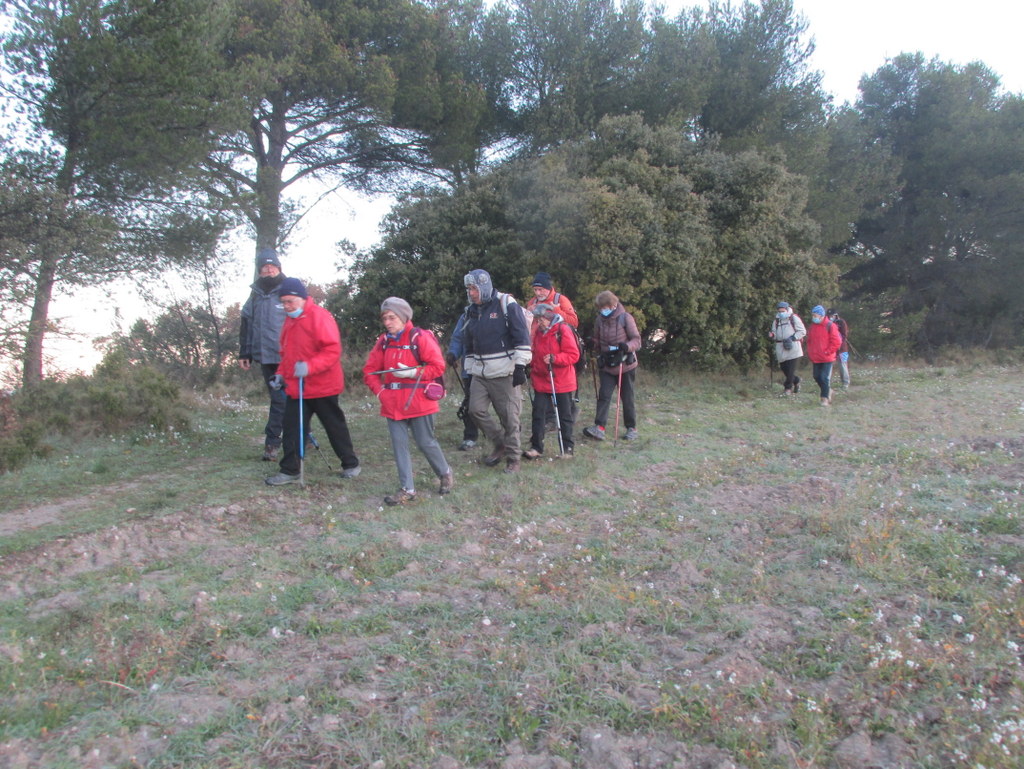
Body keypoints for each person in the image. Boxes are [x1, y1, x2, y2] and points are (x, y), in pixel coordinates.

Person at [264, 278, 361, 485]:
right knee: (291, 427)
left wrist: (309, 367)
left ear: (302, 298)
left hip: (323, 386)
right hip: (296, 389)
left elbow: (332, 350)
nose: (287, 307)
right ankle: (290, 470)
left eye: (290, 301)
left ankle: (350, 464)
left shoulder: (320, 316)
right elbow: (286, 354)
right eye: (283, 303)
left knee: (334, 426)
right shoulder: (288, 322)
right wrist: (281, 374)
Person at [363, 297, 454, 506]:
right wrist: (380, 393)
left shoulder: (418, 337)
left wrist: (413, 372)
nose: (387, 322)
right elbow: (370, 371)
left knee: (425, 442)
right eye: (385, 318)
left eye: (392, 317)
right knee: (399, 445)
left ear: (403, 317)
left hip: (419, 400)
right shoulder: (384, 342)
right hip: (392, 403)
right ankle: (407, 489)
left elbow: (437, 366)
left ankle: (445, 472)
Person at [461, 268, 532, 474]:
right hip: (480, 374)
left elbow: (521, 337)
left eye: (473, 288)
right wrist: (469, 370)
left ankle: (513, 458)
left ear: (483, 286)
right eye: (468, 289)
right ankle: (500, 443)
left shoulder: (506, 304)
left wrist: (520, 366)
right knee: (475, 410)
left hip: (505, 373)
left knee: (509, 418)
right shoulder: (470, 311)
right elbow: (469, 343)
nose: (471, 293)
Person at [238, 248, 289, 461]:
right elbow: (246, 323)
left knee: (280, 400)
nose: (268, 270)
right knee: (281, 399)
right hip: (264, 356)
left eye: (272, 266)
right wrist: (245, 352)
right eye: (264, 267)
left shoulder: (288, 289)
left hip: (287, 356)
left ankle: (272, 444)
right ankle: (303, 433)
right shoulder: (255, 294)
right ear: (259, 271)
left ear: (278, 267)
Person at [582, 291, 641, 441]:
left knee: (627, 397)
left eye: (604, 307)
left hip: (625, 364)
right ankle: (599, 427)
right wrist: (592, 343)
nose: (602, 310)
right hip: (607, 363)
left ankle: (631, 428)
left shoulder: (625, 318)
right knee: (604, 396)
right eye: (600, 308)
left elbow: (637, 341)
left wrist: (626, 347)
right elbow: (598, 340)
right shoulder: (599, 320)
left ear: (613, 305)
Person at [524, 303, 579, 459]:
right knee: (538, 414)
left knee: (564, 415)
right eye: (537, 319)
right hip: (541, 379)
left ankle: (567, 449)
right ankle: (536, 447)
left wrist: (556, 358)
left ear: (550, 317)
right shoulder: (537, 333)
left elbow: (573, 355)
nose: (539, 322)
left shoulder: (562, 330)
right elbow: (534, 353)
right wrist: (529, 364)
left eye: (542, 319)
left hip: (561, 380)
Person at [445, 312, 478, 451]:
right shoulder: (466, 316)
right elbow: (458, 338)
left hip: (495, 369)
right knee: (470, 404)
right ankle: (470, 437)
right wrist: (453, 353)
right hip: (469, 369)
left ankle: (508, 435)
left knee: (500, 403)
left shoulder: (498, 312)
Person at [806, 305, 843, 406]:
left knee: (824, 377)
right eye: (813, 315)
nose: (814, 317)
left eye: (816, 315)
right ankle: (828, 390)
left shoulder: (830, 325)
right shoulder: (812, 326)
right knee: (816, 376)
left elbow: (837, 341)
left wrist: (828, 351)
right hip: (816, 357)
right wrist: (810, 352)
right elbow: (809, 341)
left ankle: (824, 398)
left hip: (827, 357)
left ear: (822, 315)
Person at [768, 301, 806, 396]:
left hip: (793, 347)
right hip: (781, 347)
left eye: (783, 310)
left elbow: (802, 331)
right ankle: (796, 380)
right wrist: (772, 335)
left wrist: (792, 338)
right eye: (779, 311)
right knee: (784, 368)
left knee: (790, 369)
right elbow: (775, 333)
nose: (781, 313)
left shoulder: (794, 318)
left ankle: (787, 388)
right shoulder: (776, 321)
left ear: (787, 309)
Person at [827, 308, 851, 388]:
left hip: (842, 349)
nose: (831, 317)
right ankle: (827, 383)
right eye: (829, 315)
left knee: (842, 365)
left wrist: (838, 341)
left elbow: (844, 335)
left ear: (836, 315)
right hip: (831, 348)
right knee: (829, 365)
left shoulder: (841, 322)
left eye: (832, 315)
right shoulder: (828, 323)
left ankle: (845, 382)